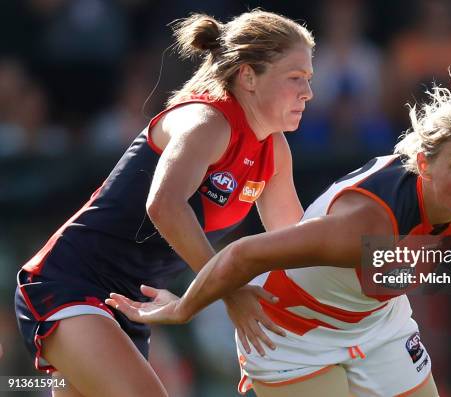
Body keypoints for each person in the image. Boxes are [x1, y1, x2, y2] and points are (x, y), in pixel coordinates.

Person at [107, 76, 451, 397]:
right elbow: (244, 254)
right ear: (423, 166)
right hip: (292, 331)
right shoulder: (362, 227)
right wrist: (183, 307)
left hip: (379, 321)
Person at [15, 10, 314, 397]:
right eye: (295, 78)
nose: (308, 92)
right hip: (70, 283)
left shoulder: (273, 147)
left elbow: (294, 246)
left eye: (308, 79)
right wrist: (229, 290)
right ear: (248, 76)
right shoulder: (207, 120)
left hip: (125, 307)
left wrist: (373, 269)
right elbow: (165, 206)